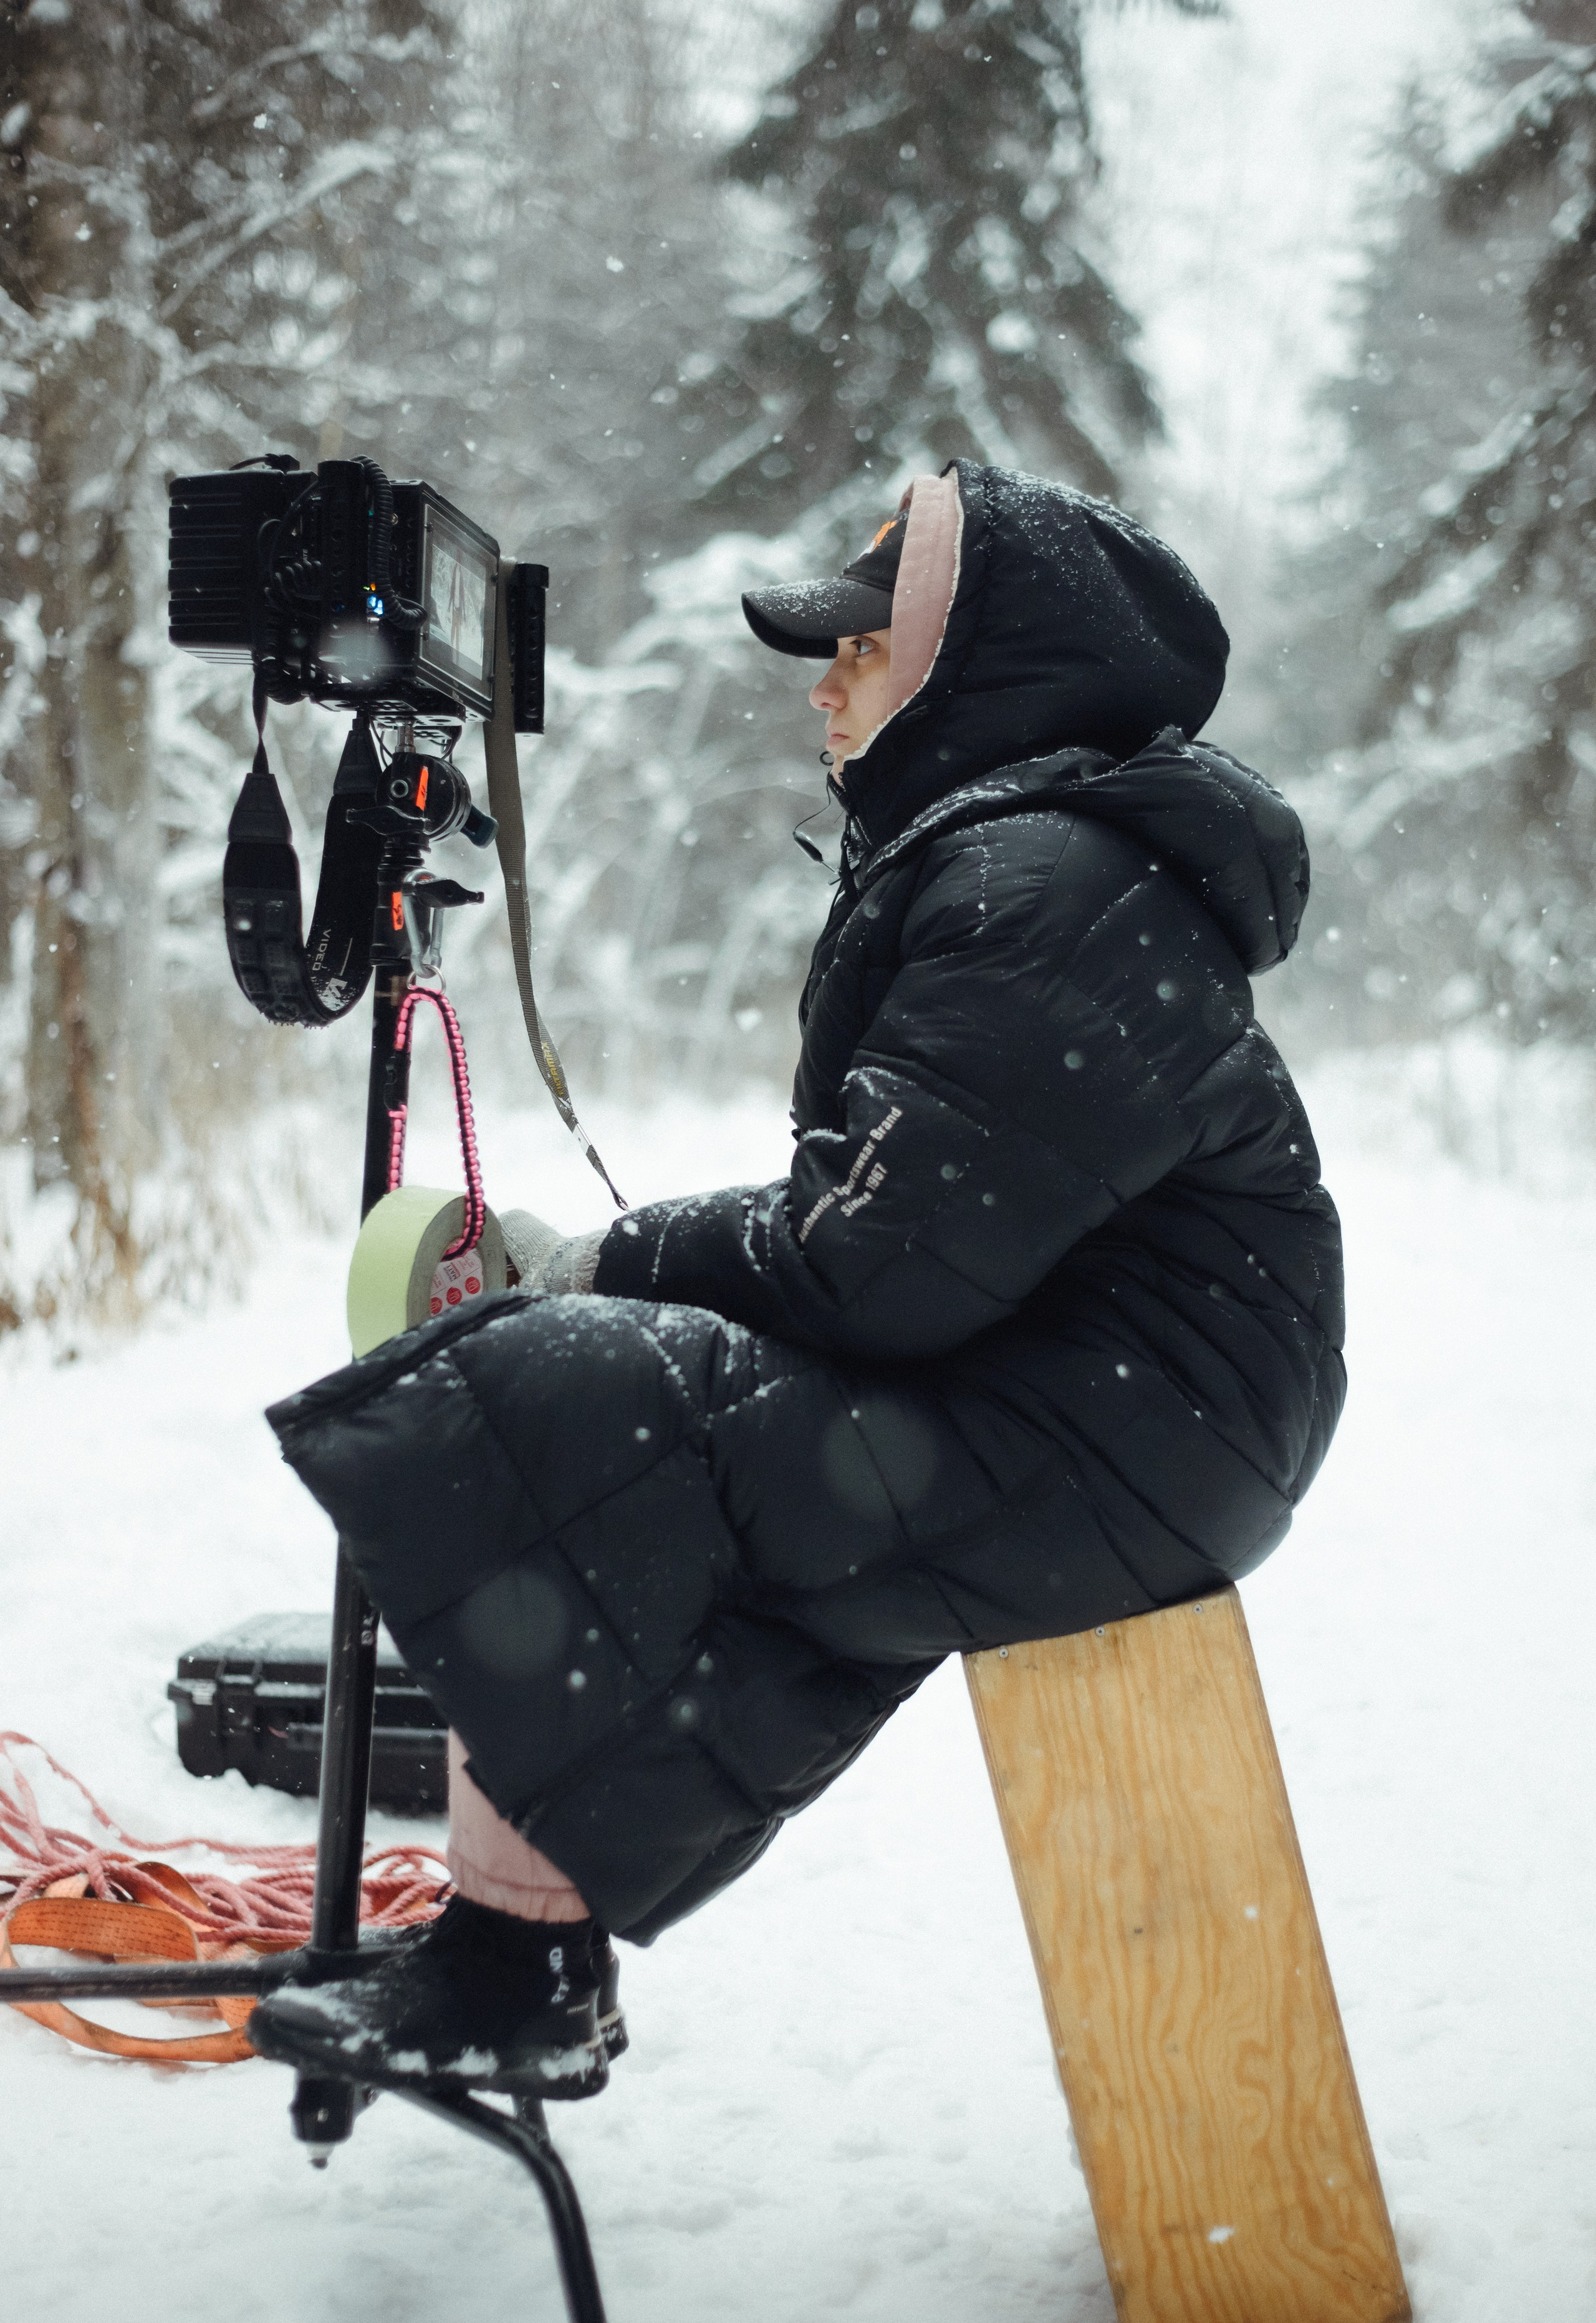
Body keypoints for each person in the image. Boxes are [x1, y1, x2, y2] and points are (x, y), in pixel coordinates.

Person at [250, 460, 1345, 2097]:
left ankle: (517, 1964)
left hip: (1131, 1433)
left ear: (981, 674)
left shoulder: (1044, 887)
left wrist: (596, 1265)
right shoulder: (1032, 860)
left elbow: (878, 1267)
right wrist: (620, 1273)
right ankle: (525, 1949)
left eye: (863, 648)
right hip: (1121, 1412)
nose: (827, 687)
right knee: (625, 1402)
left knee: (562, 1389)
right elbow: (903, 1222)